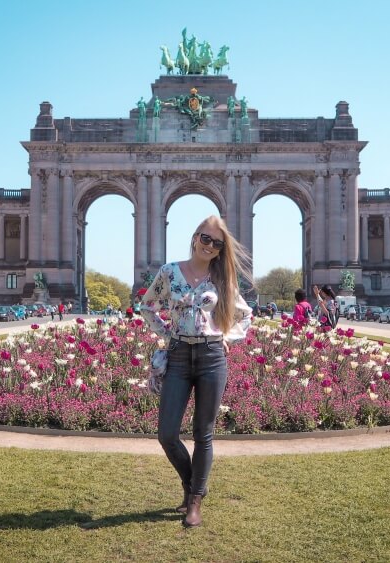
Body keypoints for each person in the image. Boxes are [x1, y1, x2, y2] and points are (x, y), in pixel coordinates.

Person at [140, 215, 252, 528]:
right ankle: (191, 486)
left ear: (220, 249)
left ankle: (195, 502)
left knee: (204, 434)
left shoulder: (222, 278)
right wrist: (166, 333)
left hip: (212, 356)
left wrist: (227, 337)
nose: (210, 246)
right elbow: (147, 306)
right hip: (177, 354)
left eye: (217, 243)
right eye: (206, 238)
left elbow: (246, 315)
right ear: (195, 237)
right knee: (167, 434)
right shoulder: (169, 271)